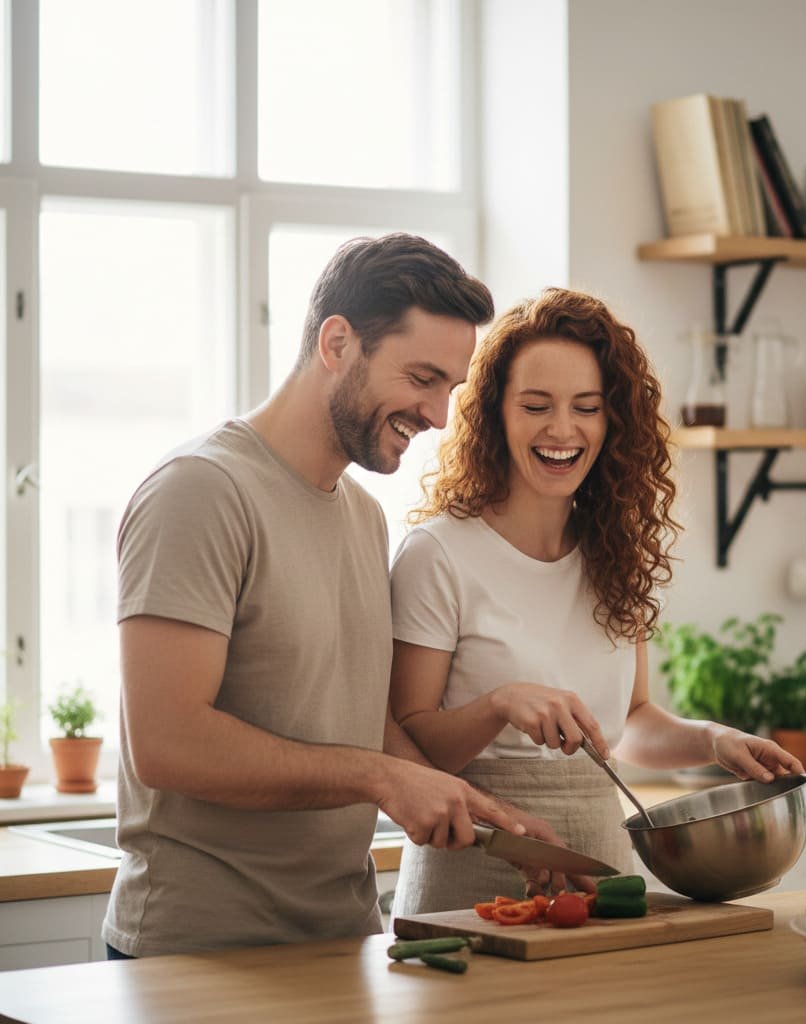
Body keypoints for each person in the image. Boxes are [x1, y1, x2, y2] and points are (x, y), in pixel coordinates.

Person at [102, 233, 557, 959]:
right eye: (422, 378)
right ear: (338, 342)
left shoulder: (361, 514)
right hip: (198, 954)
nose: (439, 415)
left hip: (339, 942)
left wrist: (480, 812)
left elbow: (352, 712)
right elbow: (167, 742)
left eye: (451, 389)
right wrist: (380, 778)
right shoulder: (200, 492)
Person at [388, 287, 805, 915]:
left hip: (600, 870)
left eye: (587, 407)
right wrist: (501, 704)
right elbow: (409, 744)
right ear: (494, 414)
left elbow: (629, 722)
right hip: (473, 871)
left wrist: (714, 741)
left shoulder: (615, 551)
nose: (562, 429)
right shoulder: (438, 554)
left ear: (613, 422)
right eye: (536, 405)